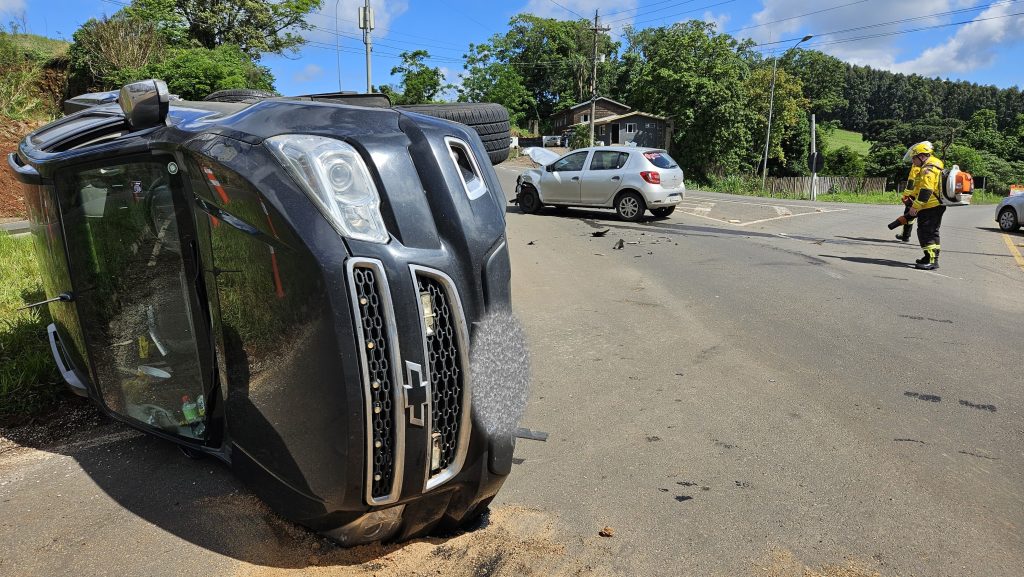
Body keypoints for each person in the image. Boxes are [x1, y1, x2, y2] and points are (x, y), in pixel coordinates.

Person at [903, 141, 945, 270]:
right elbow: (921, 187)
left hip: (930, 206)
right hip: (932, 205)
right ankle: (929, 257)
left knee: (927, 232)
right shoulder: (931, 165)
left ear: (921, 156)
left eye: (914, 158)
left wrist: (915, 207)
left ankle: (932, 260)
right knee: (929, 232)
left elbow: (926, 190)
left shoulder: (928, 169)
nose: (913, 161)